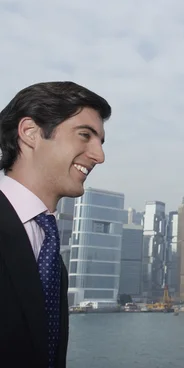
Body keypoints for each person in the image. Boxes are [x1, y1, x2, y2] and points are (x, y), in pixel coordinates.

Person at [0, 81, 111, 368]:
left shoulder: (50, 252)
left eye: (99, 142)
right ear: (30, 133)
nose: (99, 156)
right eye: (84, 135)